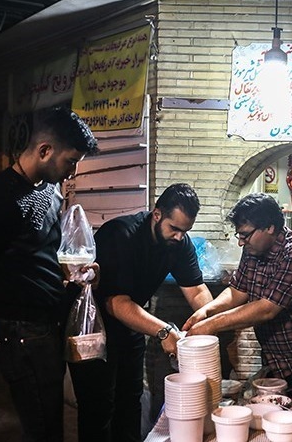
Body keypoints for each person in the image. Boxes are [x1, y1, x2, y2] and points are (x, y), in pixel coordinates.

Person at [0, 106, 99, 442]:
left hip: (47, 326)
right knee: (43, 429)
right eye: (70, 161)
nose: (72, 172)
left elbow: (41, 254)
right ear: (45, 150)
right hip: (19, 331)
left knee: (51, 423)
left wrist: (72, 273)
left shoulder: (50, 191)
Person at [68, 183, 214, 442]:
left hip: (130, 325)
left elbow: (196, 290)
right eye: (174, 228)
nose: (179, 237)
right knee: (98, 407)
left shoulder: (179, 244)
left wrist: (210, 324)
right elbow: (115, 302)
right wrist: (164, 332)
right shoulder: (121, 235)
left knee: (129, 402)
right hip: (94, 329)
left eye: (185, 231)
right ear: (157, 214)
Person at [183, 193, 292, 398]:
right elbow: (237, 290)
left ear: (270, 227)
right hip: (276, 359)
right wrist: (206, 311)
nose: (241, 242)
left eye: (245, 235)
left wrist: (211, 325)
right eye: (239, 236)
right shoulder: (253, 248)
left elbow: (267, 309)